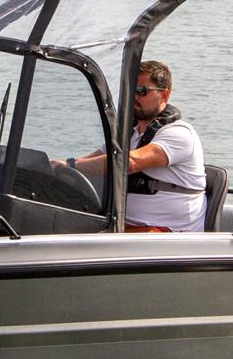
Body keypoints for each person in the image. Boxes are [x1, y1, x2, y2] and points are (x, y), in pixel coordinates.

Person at [62, 60, 206, 232]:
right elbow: (91, 160)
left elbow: (128, 162)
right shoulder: (130, 133)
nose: (134, 97)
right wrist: (52, 166)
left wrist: (70, 166)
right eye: (131, 91)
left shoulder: (179, 133)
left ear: (164, 95)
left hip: (168, 235)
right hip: (125, 229)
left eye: (141, 91)